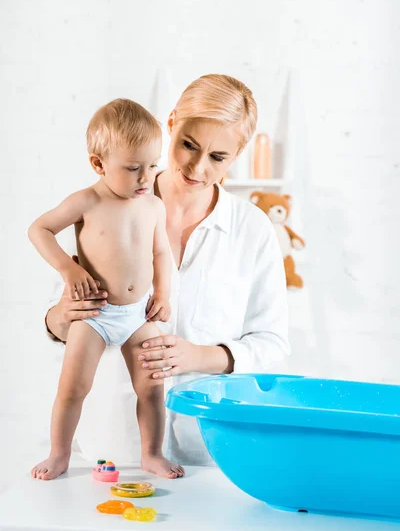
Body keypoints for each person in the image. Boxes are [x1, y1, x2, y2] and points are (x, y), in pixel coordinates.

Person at [45, 74, 291, 466]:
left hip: (208, 449)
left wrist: (200, 356)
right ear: (171, 123)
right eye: (188, 145)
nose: (196, 167)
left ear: (238, 154)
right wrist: (60, 316)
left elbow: (272, 342)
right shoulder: (103, 202)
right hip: (108, 446)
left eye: (218, 157)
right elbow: (58, 325)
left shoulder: (252, 230)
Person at [29, 99, 184, 480]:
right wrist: (67, 268)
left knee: (152, 388)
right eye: (133, 168)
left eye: (153, 165)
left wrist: (162, 294)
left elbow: (161, 251)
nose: (145, 177)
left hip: (136, 316)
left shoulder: (152, 206)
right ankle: (60, 454)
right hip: (95, 315)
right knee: (73, 387)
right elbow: (39, 229)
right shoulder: (88, 201)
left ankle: (151, 454)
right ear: (98, 164)